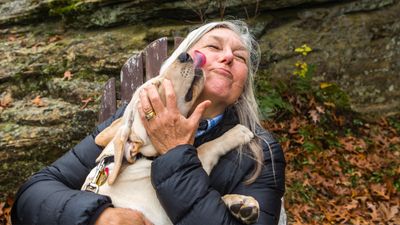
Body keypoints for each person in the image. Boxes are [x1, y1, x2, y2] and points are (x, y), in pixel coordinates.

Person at [11, 20, 286, 225]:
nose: (227, 57)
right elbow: (32, 195)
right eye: (214, 47)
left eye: (239, 57)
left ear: (243, 84)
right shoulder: (131, 119)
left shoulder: (259, 152)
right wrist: (99, 215)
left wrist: (176, 152)